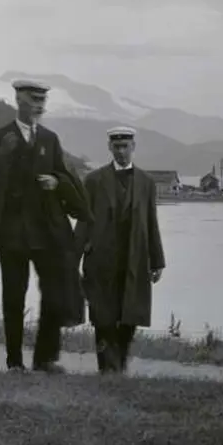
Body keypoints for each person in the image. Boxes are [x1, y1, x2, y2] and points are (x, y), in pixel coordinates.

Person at [0, 79, 83, 373]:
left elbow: (65, 177)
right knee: (13, 296)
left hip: (46, 233)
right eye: (33, 99)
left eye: (42, 100)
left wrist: (56, 182)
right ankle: (14, 361)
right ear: (18, 101)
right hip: (10, 234)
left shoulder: (50, 140)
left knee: (53, 293)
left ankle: (45, 359)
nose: (39, 105)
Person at [75, 126, 165, 374]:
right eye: (117, 147)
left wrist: (157, 261)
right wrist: (72, 260)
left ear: (133, 147)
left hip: (134, 260)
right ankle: (107, 369)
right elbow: (83, 222)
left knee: (130, 317)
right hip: (101, 260)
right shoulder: (93, 181)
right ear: (110, 148)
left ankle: (119, 366)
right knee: (103, 318)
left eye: (126, 146)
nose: (122, 151)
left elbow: (151, 222)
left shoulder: (146, 183)